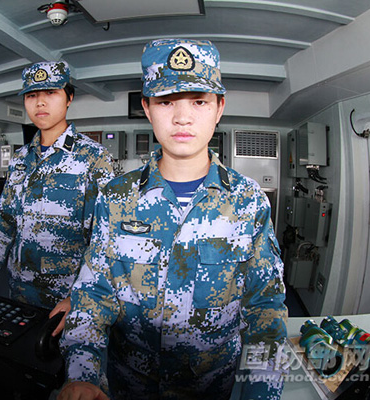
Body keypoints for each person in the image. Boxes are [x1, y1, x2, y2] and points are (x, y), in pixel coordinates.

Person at [58, 39, 288, 400]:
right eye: (166, 101)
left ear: (219, 108)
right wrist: (83, 374)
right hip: (128, 386)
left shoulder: (248, 200)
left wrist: (262, 393)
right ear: (147, 108)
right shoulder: (116, 198)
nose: (183, 117)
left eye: (199, 101)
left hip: (213, 388)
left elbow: (265, 311)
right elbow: (94, 297)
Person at [0, 61, 115, 335]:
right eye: (32, 95)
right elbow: (5, 223)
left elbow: (105, 238)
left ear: (69, 97)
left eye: (50, 93)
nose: (40, 103)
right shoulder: (20, 160)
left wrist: (81, 296)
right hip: (21, 290)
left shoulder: (94, 158)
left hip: (68, 296)